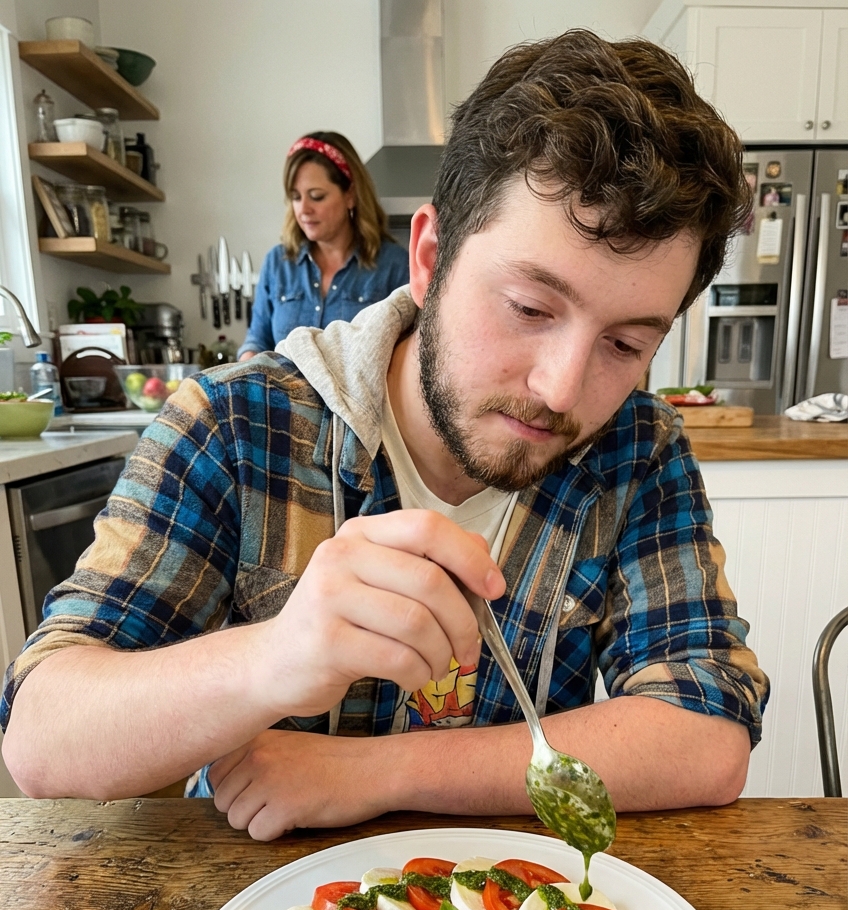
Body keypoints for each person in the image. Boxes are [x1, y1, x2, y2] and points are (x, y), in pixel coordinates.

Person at [2, 31, 769, 840]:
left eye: (625, 345)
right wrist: (273, 662)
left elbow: (707, 734)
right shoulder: (232, 424)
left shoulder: (638, 450)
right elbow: (44, 740)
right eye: (530, 309)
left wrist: (378, 773)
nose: (560, 390)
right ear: (430, 257)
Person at [237, 131, 408, 359]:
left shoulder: (395, 266)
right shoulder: (278, 263)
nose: (303, 209)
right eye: (296, 197)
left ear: (350, 195)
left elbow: (409, 354)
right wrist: (247, 368)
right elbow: (257, 340)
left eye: (316, 196)